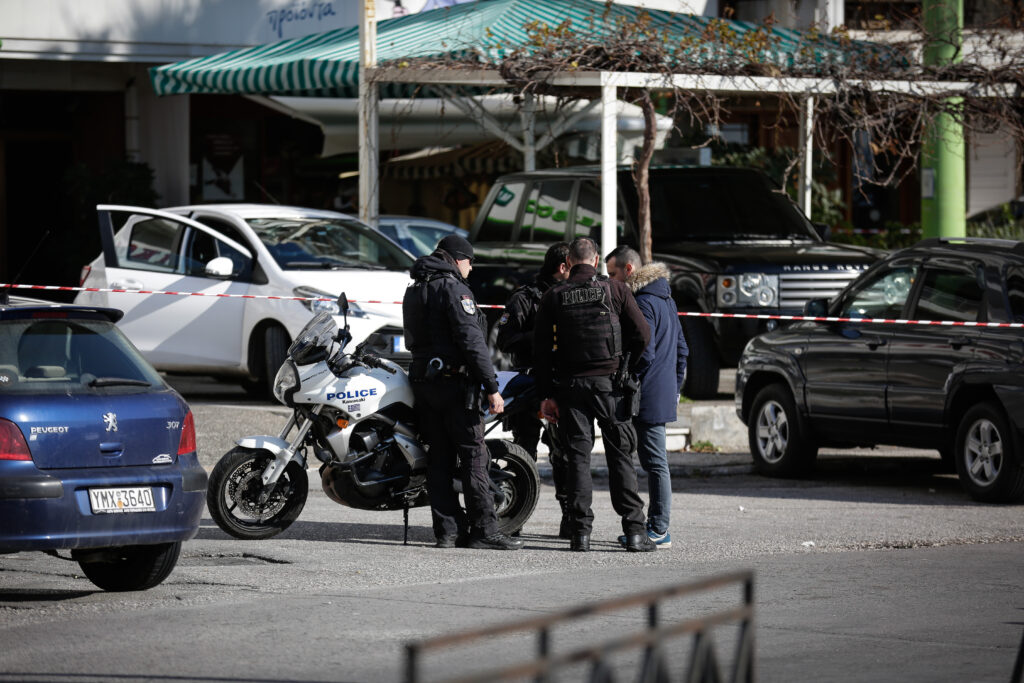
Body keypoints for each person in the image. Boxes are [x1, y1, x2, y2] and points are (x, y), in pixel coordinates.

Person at [533, 237, 655, 552]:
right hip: (610, 386)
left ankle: (580, 534)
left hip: (571, 388)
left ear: (569, 262)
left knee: (577, 459)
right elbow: (642, 334)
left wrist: (547, 394)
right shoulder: (616, 290)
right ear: (597, 260)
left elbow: (542, 352)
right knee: (621, 458)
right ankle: (635, 532)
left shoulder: (554, 295)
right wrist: (627, 366)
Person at [402, 234, 522, 551]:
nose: (471, 268)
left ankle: (448, 532)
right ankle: (484, 529)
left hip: (424, 382)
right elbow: (473, 344)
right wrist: (492, 387)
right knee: (474, 456)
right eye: (470, 261)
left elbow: (411, 340)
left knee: (438, 457)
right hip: (455, 384)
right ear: (458, 259)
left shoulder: (414, 289)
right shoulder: (455, 289)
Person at [606, 246, 688, 549]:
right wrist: (674, 387)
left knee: (655, 463)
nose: (609, 279)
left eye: (613, 273)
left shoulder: (641, 302)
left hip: (647, 393)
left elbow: (644, 350)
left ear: (629, 271)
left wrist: (628, 379)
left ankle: (658, 528)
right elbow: (682, 350)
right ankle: (655, 525)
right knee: (655, 462)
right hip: (662, 390)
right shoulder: (666, 299)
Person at [494, 242, 572, 537]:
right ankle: (514, 518)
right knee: (523, 451)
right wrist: (541, 335)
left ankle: (570, 519)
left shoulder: (573, 295)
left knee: (563, 453)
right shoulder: (525, 298)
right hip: (528, 384)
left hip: (560, 383)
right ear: (562, 266)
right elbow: (505, 340)